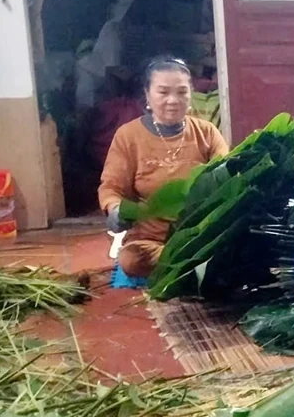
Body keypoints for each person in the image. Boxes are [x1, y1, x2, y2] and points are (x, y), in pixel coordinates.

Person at [98, 56, 229, 278]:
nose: (173, 100)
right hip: (150, 239)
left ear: (191, 95)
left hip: (199, 234)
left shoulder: (206, 132)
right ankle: (190, 265)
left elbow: (228, 175)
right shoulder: (128, 136)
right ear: (147, 95)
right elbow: (111, 187)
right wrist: (115, 208)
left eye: (181, 92)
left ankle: (185, 264)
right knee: (131, 260)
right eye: (163, 92)